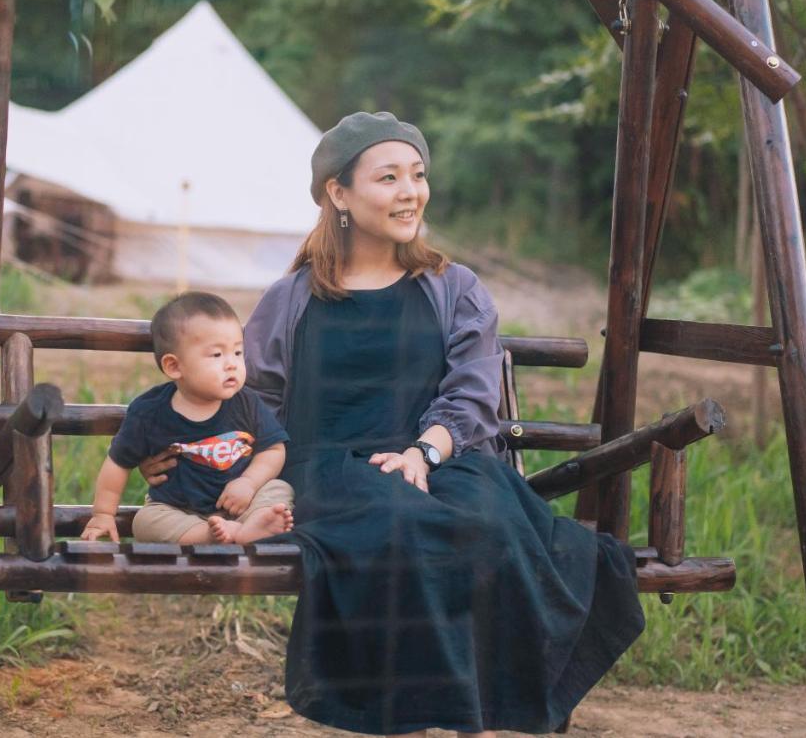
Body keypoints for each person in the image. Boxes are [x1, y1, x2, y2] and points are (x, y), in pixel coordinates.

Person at [141, 112, 644, 735]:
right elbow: (249, 397)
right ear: (339, 193)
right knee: (401, 522)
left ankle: (475, 716)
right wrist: (183, 449)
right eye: (389, 177)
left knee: (487, 520)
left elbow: (472, 390)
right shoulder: (292, 297)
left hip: (439, 459)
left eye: (418, 175)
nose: (411, 192)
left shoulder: (454, 289)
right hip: (329, 467)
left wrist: (423, 454)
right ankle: (412, 717)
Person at [82, 291, 294, 545]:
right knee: (146, 522)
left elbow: (273, 449)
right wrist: (103, 514)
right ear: (174, 366)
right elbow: (117, 464)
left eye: (237, 353)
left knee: (279, 489)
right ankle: (212, 535)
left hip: (241, 504)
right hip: (180, 511)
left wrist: (249, 483)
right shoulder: (149, 413)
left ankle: (250, 526)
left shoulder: (246, 402)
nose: (232, 364)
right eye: (217, 355)